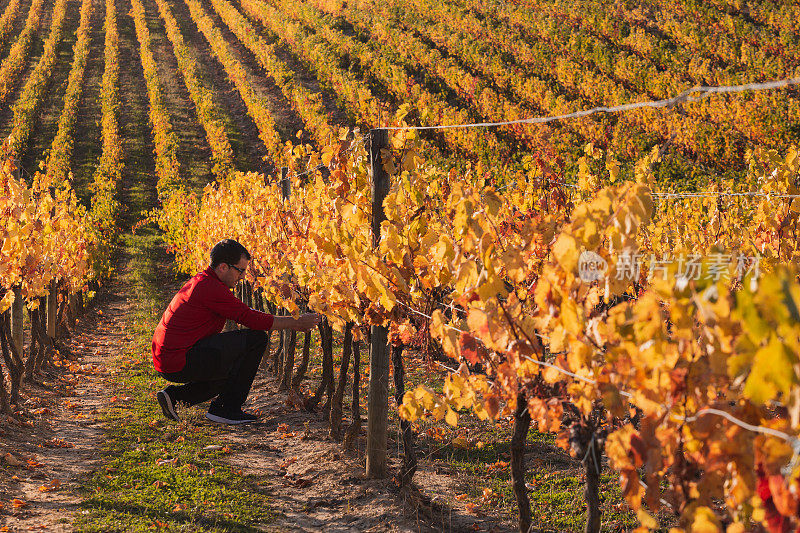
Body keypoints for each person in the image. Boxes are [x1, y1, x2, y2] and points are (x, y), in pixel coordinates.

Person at [151, 239, 321, 424]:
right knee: (256, 340)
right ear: (223, 267)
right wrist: (295, 322)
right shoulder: (210, 288)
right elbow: (249, 318)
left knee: (232, 367)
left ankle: (174, 398)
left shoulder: (203, 281)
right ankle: (227, 409)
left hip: (168, 358)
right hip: (178, 359)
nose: (242, 277)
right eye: (240, 271)